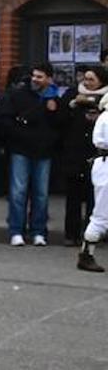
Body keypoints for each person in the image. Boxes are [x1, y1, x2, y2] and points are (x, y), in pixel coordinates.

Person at [0, 63, 65, 246]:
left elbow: (61, 124)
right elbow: (5, 120)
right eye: (34, 76)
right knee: (18, 192)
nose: (35, 80)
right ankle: (16, 230)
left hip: (44, 151)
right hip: (21, 149)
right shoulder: (18, 95)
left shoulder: (55, 97)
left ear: (49, 79)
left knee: (41, 194)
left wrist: (53, 111)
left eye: (40, 77)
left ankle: (39, 231)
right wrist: (18, 135)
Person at [61, 66, 107, 246]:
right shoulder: (73, 94)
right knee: (73, 197)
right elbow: (60, 120)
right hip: (74, 153)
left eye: (91, 79)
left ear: (101, 81)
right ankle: (71, 234)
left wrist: (98, 117)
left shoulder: (106, 100)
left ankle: (91, 236)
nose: (87, 82)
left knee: (93, 198)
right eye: (85, 79)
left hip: (97, 156)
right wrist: (72, 106)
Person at [76, 94, 108, 273]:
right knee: (101, 215)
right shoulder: (107, 117)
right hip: (106, 166)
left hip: (103, 164)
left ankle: (86, 254)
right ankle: (86, 255)